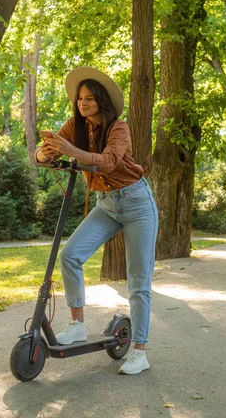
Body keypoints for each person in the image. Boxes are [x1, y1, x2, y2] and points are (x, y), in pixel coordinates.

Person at [35, 67, 158, 375]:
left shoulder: (119, 128)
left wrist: (70, 150)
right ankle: (77, 324)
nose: (83, 103)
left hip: (136, 202)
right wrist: (44, 153)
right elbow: (45, 153)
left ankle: (139, 351)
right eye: (79, 98)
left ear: (102, 101)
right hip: (107, 205)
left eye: (89, 98)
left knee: (138, 281)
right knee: (70, 256)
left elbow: (108, 161)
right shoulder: (74, 127)